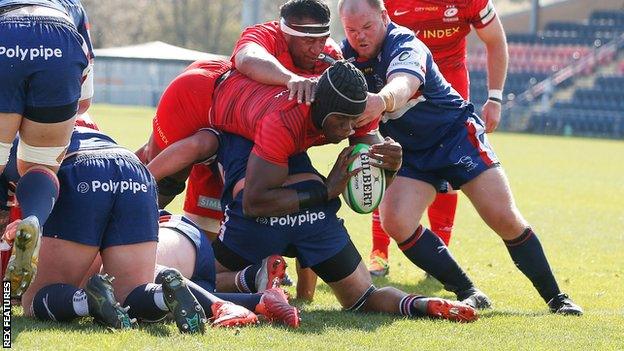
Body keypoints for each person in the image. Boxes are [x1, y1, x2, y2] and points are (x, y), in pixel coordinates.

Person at [337, 0, 582, 315]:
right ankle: (468, 290)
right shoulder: (346, 57)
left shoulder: (406, 43)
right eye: (352, 30)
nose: (360, 37)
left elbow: (403, 84)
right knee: (397, 221)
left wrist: (380, 101)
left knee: (502, 216)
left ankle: (556, 298)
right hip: (410, 149)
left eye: (367, 27)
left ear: (385, 18)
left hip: (455, 136)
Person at [137, 0, 341, 299]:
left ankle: (251, 276)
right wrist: (291, 78)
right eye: (307, 41)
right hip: (201, 101)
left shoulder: (329, 60)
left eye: (321, 40)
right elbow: (247, 57)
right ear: (285, 33)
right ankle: (130, 212)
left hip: (253, 129)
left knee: (287, 201)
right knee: (170, 178)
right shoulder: (265, 37)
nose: (316, 49)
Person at [1, 127, 208, 332]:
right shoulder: (56, 120)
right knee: (125, 296)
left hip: (79, 170)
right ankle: (164, 296)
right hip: (133, 171)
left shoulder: (9, 136)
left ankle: (86, 301)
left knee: (35, 300)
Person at [367, 0, 509, 277]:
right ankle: (379, 253)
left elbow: (496, 40)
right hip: (398, 90)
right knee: (387, 165)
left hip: (447, 96)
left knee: (448, 177)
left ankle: (439, 254)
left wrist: (495, 97)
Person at [0, 0, 94, 297]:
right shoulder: (72, 4)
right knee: (39, 165)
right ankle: (34, 219)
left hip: (5, 29)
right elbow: (84, 102)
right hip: (59, 37)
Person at [155, 211, 300, 328]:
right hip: (190, 257)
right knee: (173, 301)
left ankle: (243, 301)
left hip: (177, 239)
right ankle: (255, 285)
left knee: (144, 277)